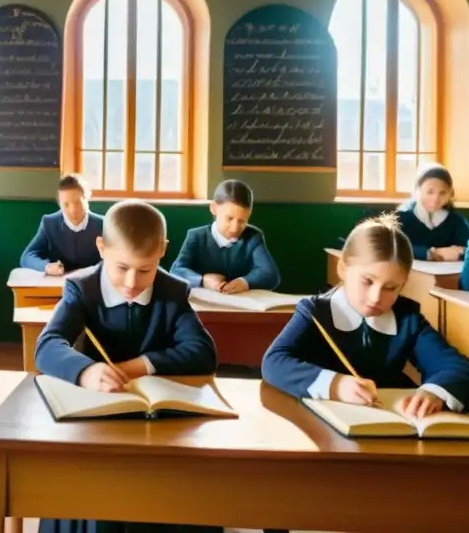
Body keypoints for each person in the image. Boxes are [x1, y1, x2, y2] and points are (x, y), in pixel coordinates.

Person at [35, 199, 220, 533]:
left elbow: (203, 352)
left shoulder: (172, 292)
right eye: (122, 268)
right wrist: (86, 371)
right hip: (95, 426)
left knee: (180, 495)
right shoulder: (82, 290)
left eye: (145, 269)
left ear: (163, 251)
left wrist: (141, 365)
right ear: (101, 247)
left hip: (160, 429)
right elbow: (47, 346)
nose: (132, 282)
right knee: (97, 500)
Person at [263, 214, 469, 418]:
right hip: (319, 424)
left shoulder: (407, 318)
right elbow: (274, 362)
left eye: (391, 287)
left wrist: (435, 392)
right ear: (342, 269)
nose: (376, 297)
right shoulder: (316, 312)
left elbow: (457, 369)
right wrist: (336, 385)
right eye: (367, 281)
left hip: (390, 430)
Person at [170, 180, 280, 293]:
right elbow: (176, 270)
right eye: (229, 218)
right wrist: (202, 280)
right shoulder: (196, 236)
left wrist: (244, 282)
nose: (235, 228)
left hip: (241, 306)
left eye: (242, 221)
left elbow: (270, 274)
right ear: (214, 208)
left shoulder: (253, 237)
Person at [21, 173, 104, 275]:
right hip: (57, 286)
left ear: (86, 199)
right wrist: (47, 266)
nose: (73, 210)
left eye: (78, 202)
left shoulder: (102, 224)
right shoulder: (49, 223)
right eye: (66, 204)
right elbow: (28, 256)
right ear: (59, 203)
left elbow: (114, 257)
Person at [396, 164, 469, 261]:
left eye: (442, 193)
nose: (435, 199)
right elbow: (391, 249)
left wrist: (460, 252)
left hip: (448, 274)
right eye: (430, 192)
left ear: (450, 194)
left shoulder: (457, 222)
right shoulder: (401, 218)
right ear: (417, 191)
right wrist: (430, 253)